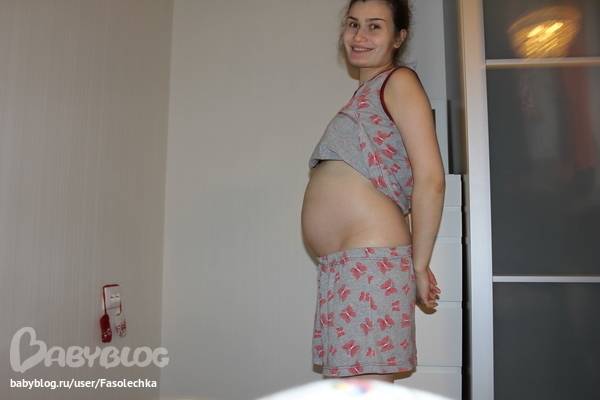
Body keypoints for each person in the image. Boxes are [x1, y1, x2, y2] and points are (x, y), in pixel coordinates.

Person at [301, 0, 445, 383]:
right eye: (353, 24)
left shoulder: (399, 81)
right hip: (347, 264)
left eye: (375, 26)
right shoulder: (367, 95)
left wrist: (418, 265)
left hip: (370, 259)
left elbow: (431, 177)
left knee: (363, 389)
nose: (359, 35)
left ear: (399, 38)